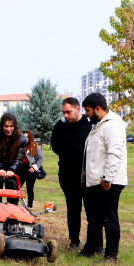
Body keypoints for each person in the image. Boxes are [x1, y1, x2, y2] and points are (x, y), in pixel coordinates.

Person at [80, 93, 128, 262]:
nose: (86, 114)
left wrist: (107, 178)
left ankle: (111, 254)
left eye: (87, 110)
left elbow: (115, 154)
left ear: (97, 108)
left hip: (109, 182)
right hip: (96, 181)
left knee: (109, 218)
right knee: (94, 218)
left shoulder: (112, 126)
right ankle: (91, 248)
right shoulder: (98, 125)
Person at [51, 97, 93, 251]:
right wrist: (67, 155)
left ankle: (94, 243)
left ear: (78, 110)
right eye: (63, 112)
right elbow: (55, 146)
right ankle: (74, 241)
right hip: (68, 174)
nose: (65, 115)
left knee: (91, 210)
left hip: (87, 174)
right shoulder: (60, 126)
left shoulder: (89, 125)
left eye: (68, 112)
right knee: (73, 209)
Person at [0, 113, 27, 205]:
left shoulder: (21, 139)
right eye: (6, 126)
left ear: (15, 126)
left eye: (11, 126)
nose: (8, 129)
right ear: (2, 126)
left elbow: (19, 157)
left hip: (13, 172)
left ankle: (12, 218)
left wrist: (12, 170)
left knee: (13, 200)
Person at [20, 130, 43, 208]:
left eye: (27, 137)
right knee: (17, 187)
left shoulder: (34, 146)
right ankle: (14, 204)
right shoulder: (19, 145)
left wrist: (34, 167)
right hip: (21, 169)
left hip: (30, 169)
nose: (25, 138)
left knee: (29, 188)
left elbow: (40, 158)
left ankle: (29, 206)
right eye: (24, 137)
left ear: (30, 138)